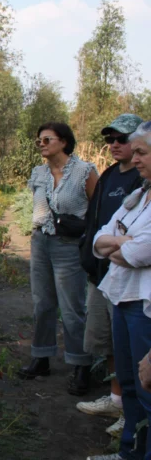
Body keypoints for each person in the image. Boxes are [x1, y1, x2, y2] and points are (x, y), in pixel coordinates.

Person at [18, 122, 98, 396]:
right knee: (42, 303)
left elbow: (97, 211)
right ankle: (41, 357)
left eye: (46, 139)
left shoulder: (84, 171)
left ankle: (81, 364)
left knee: (73, 308)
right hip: (40, 242)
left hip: (69, 245)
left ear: (63, 142)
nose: (40, 143)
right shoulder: (38, 172)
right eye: (38, 139)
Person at [88, 120, 151, 460]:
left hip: (144, 306)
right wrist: (121, 244)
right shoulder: (138, 196)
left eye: (141, 152)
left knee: (147, 388)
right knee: (129, 384)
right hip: (120, 297)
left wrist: (121, 245)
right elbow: (100, 238)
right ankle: (129, 451)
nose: (135, 159)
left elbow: (139, 252)